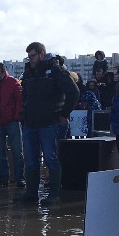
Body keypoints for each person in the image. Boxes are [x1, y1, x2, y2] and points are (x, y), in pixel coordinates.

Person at [16, 42, 80, 205]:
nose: (30, 59)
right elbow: (25, 95)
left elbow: (73, 92)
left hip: (49, 123)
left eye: (33, 55)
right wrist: (24, 110)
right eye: (28, 56)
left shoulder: (56, 70)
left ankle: (54, 194)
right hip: (30, 122)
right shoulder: (28, 72)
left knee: (51, 158)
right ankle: (31, 193)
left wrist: (64, 114)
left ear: (42, 54)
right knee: (31, 160)